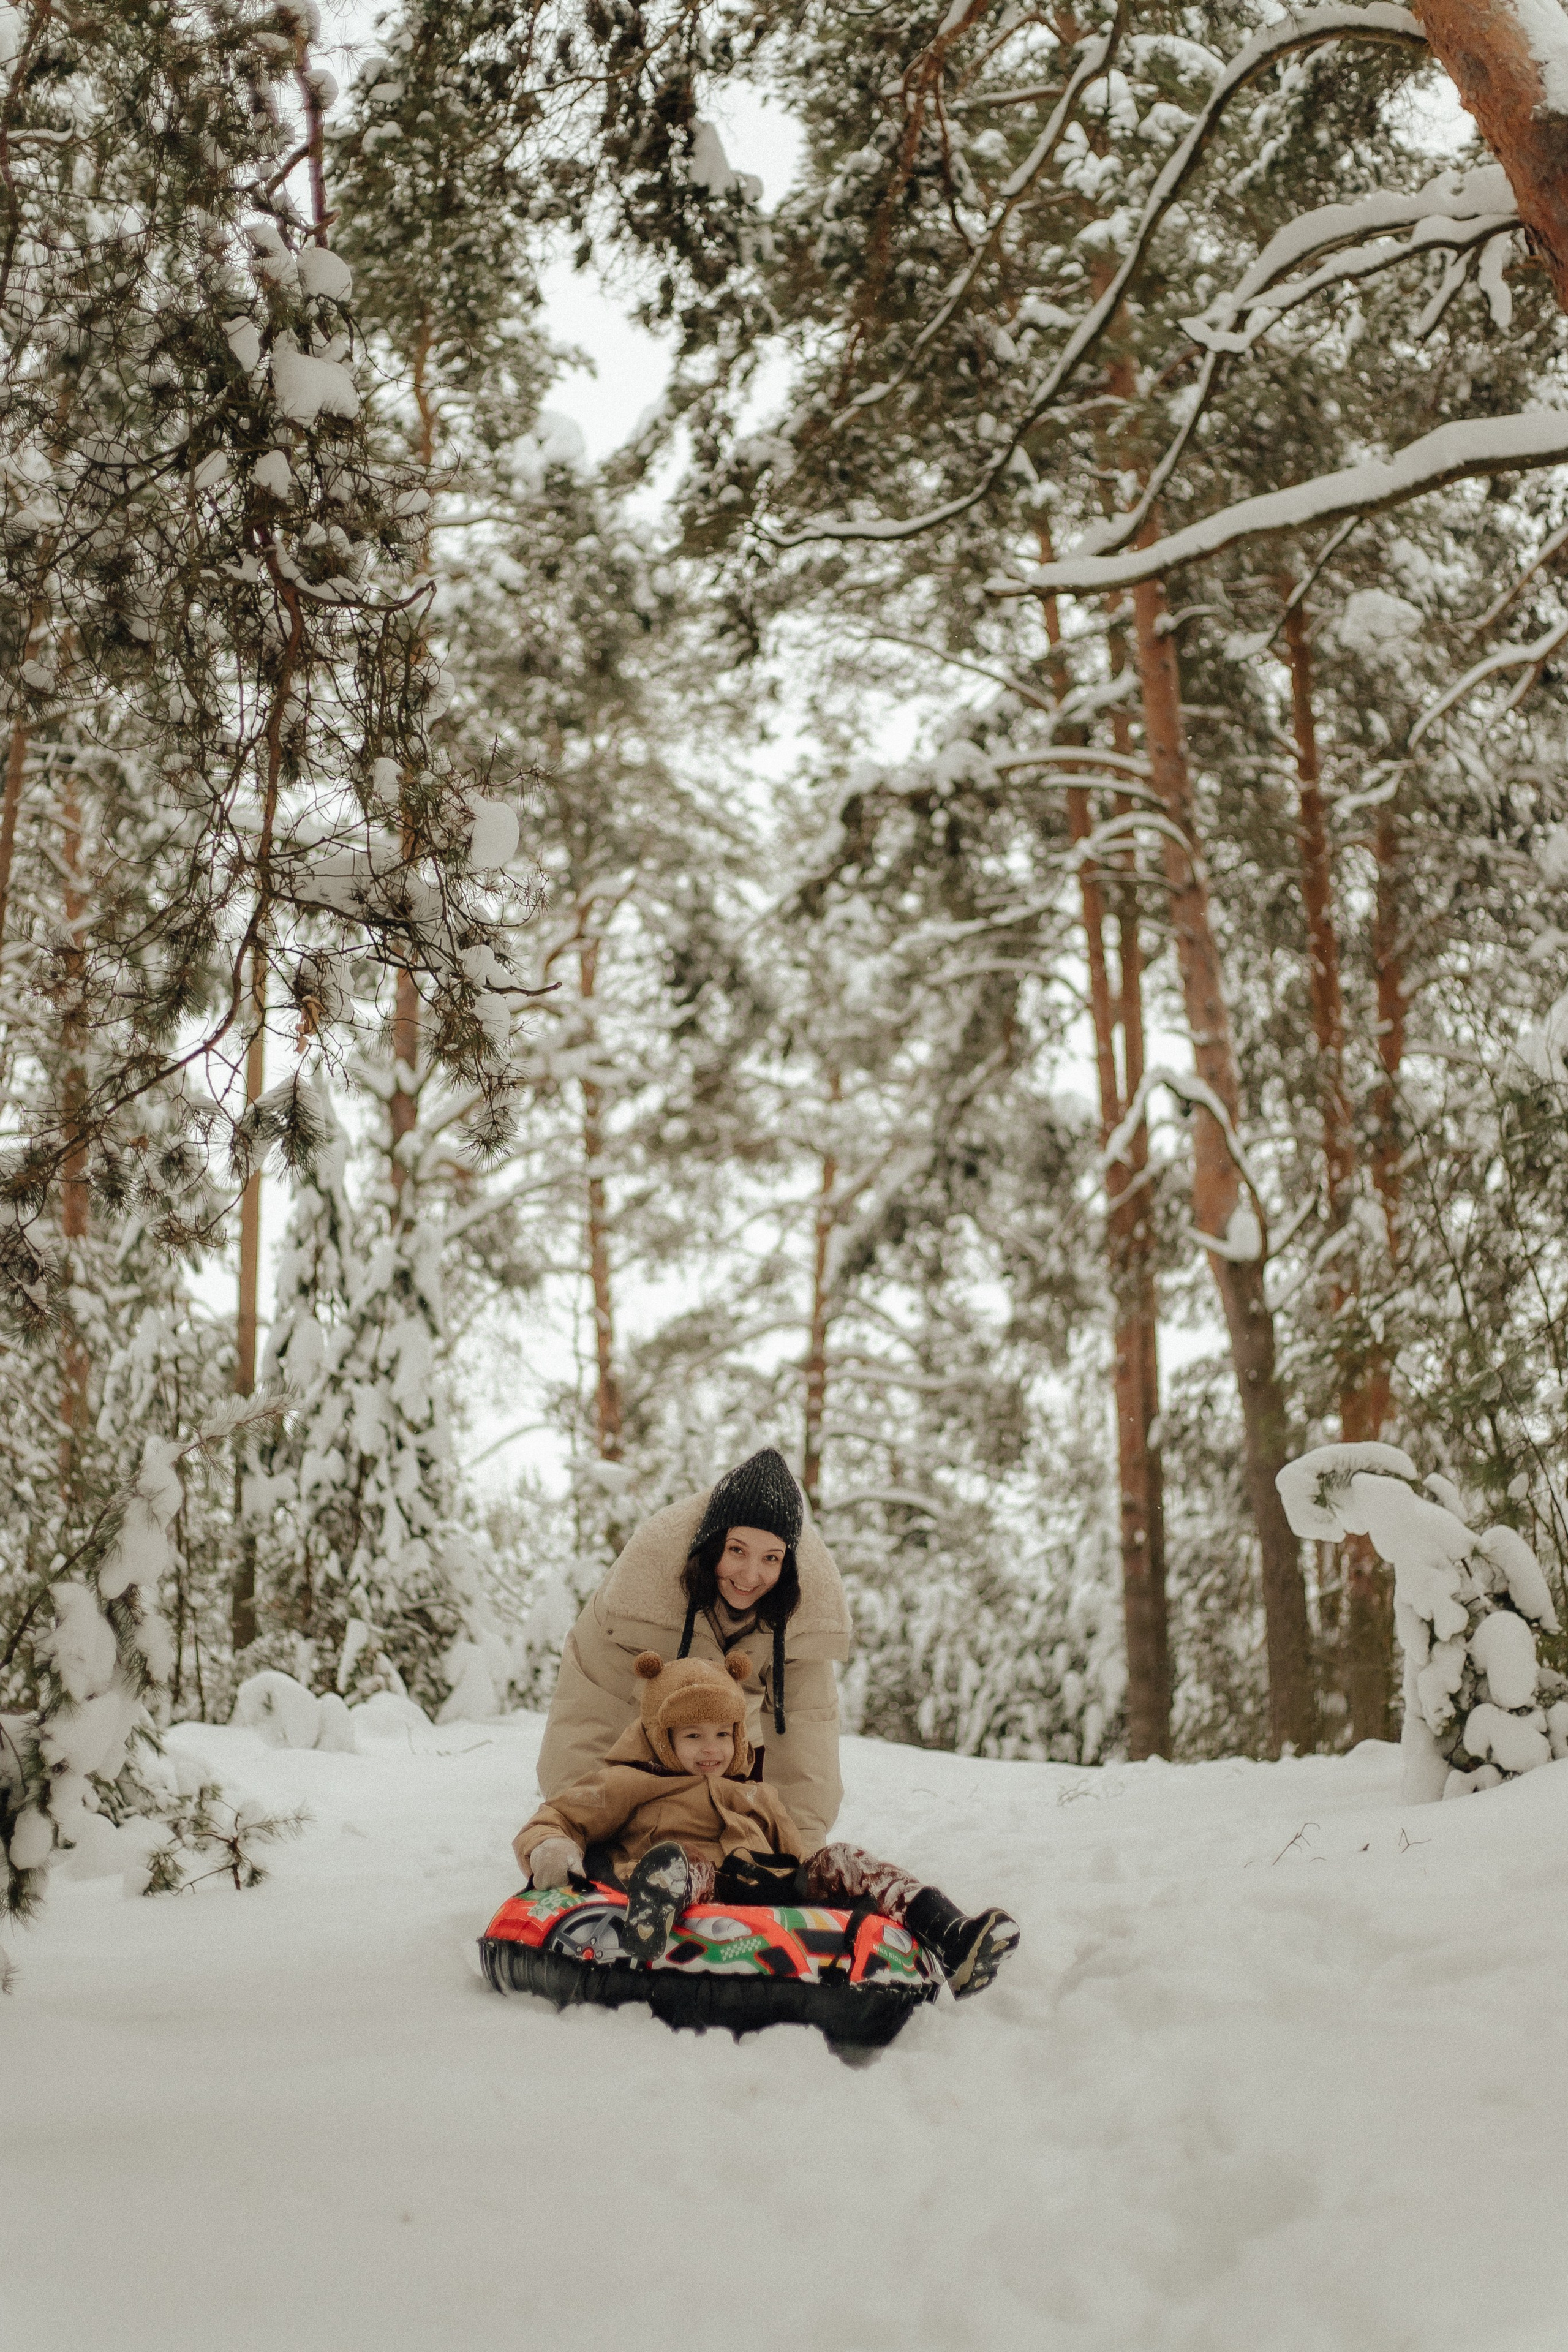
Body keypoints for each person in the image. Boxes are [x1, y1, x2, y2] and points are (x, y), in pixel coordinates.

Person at [515, 1648, 1020, 1999]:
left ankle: (949, 1933)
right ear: (660, 1736)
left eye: (722, 1734)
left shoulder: (759, 1794)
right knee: (684, 1863)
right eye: (692, 1735)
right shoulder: (630, 1782)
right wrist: (551, 1848)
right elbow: (557, 1816)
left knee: (842, 1859)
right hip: (694, 1885)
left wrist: (828, 1889)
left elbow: (797, 1857)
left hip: (767, 1886)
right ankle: (655, 1914)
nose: (711, 1748)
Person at [536, 1446, 850, 1848]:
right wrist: (572, 1830)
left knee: (743, 1828)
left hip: (734, 1743)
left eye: (770, 1558)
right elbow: (587, 1719)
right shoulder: (634, 1601)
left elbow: (808, 1737)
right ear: (711, 1545)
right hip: (651, 1741)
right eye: (737, 1551)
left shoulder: (804, 1614)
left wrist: (801, 1847)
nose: (751, 1575)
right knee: (644, 1819)